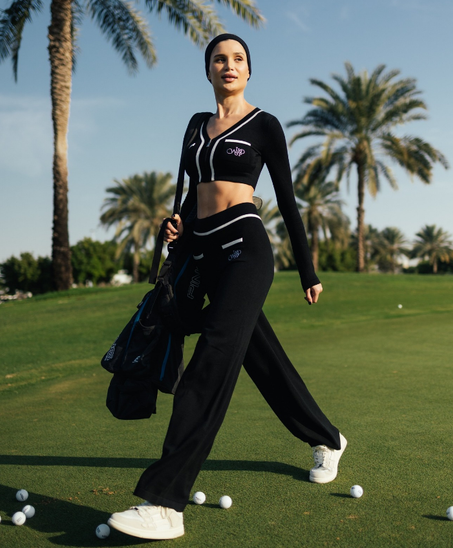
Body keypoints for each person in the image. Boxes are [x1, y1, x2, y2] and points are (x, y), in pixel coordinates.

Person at [108, 34, 346, 540]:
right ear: (208, 70)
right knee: (262, 359)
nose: (229, 65)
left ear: (249, 71)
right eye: (220, 58)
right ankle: (328, 437)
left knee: (213, 358)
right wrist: (173, 232)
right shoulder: (196, 126)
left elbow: (288, 199)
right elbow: (185, 195)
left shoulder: (265, 126)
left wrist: (309, 271)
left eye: (238, 59)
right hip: (201, 252)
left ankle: (166, 503)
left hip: (246, 247)